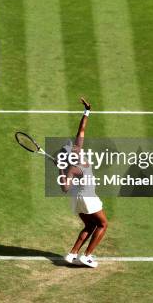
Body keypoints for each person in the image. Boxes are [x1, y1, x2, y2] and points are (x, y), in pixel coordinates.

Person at [57, 98, 108, 268]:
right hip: (88, 198)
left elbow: (65, 188)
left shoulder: (70, 167)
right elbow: (64, 188)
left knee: (90, 224)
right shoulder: (77, 163)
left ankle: (72, 254)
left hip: (76, 200)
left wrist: (86, 111)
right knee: (102, 224)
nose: (76, 146)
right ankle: (87, 256)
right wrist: (62, 169)